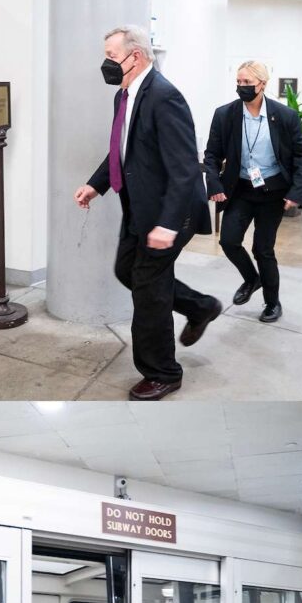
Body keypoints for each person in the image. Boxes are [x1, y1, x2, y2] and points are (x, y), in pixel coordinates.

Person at [74, 25, 222, 401]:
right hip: (140, 206)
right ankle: (200, 306)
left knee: (148, 287)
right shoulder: (125, 95)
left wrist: (168, 225)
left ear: (134, 56)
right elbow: (121, 150)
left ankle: (163, 373)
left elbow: (184, 168)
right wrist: (97, 184)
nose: (106, 64)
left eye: (111, 56)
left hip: (170, 211)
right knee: (127, 270)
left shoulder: (163, 97)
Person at [203, 60, 302, 324]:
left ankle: (273, 303)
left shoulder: (285, 116)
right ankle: (252, 280)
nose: (242, 87)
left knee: (263, 249)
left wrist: (296, 192)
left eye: (248, 83)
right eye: (239, 82)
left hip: (271, 192)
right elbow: (211, 155)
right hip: (240, 189)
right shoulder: (225, 115)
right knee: (229, 241)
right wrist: (215, 184)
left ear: (262, 85)